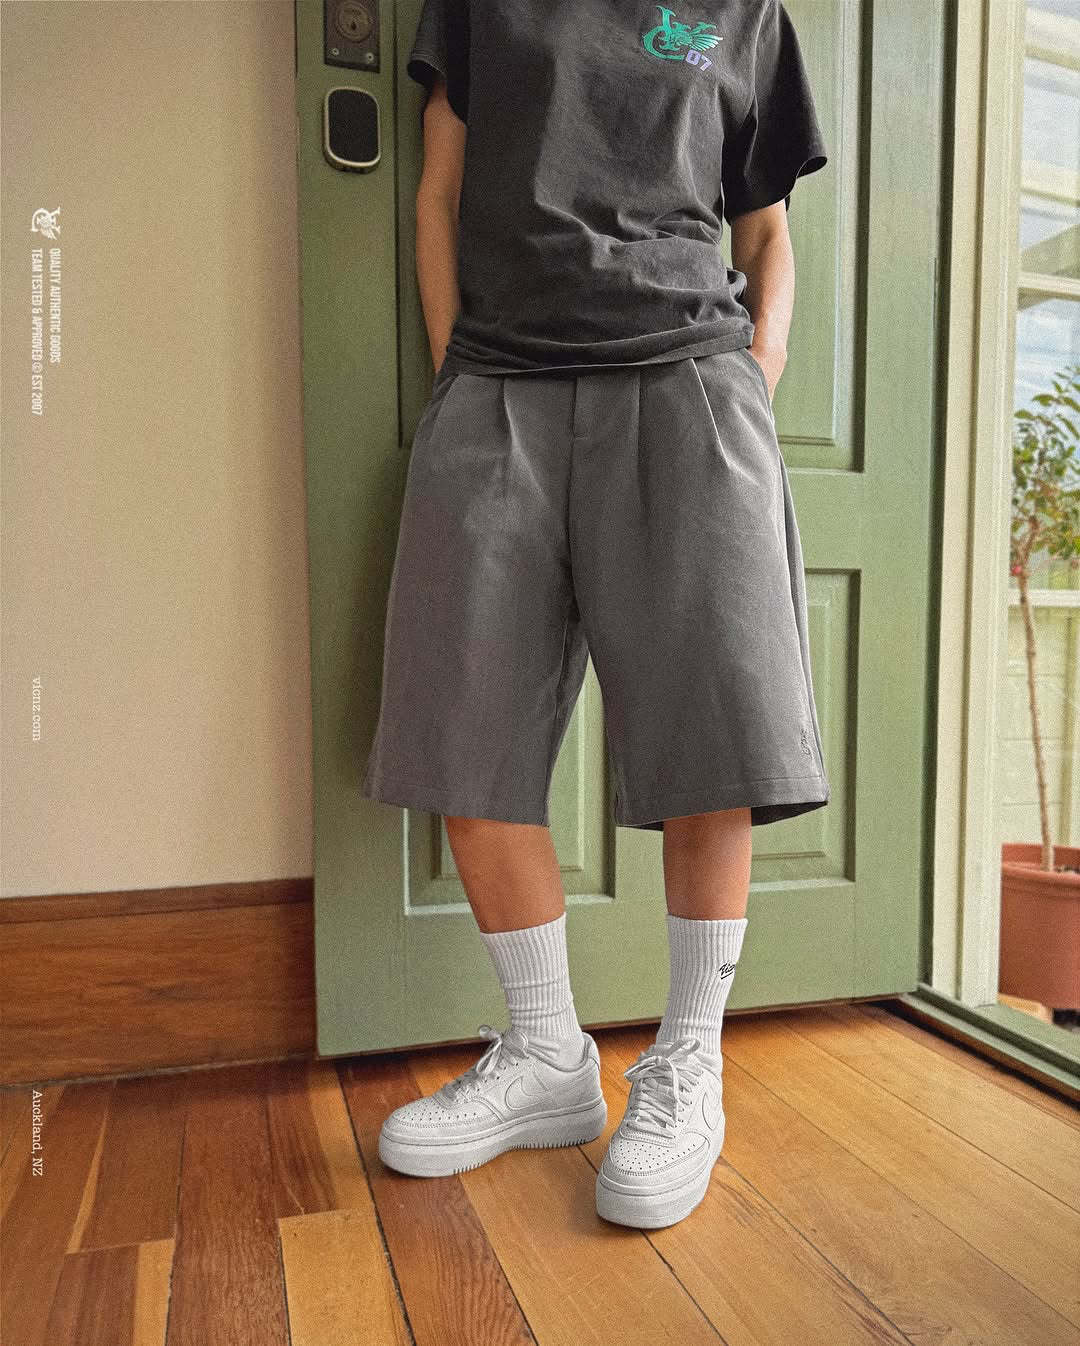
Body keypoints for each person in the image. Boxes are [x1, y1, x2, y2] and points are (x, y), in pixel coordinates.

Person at [364, 0, 830, 1229]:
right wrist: (456, 375)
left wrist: (756, 374)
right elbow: (438, 193)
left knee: (712, 742)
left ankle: (688, 1060)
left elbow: (766, 228)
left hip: (689, 381)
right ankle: (546, 1056)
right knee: (465, 737)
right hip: (497, 385)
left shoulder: (742, 12)